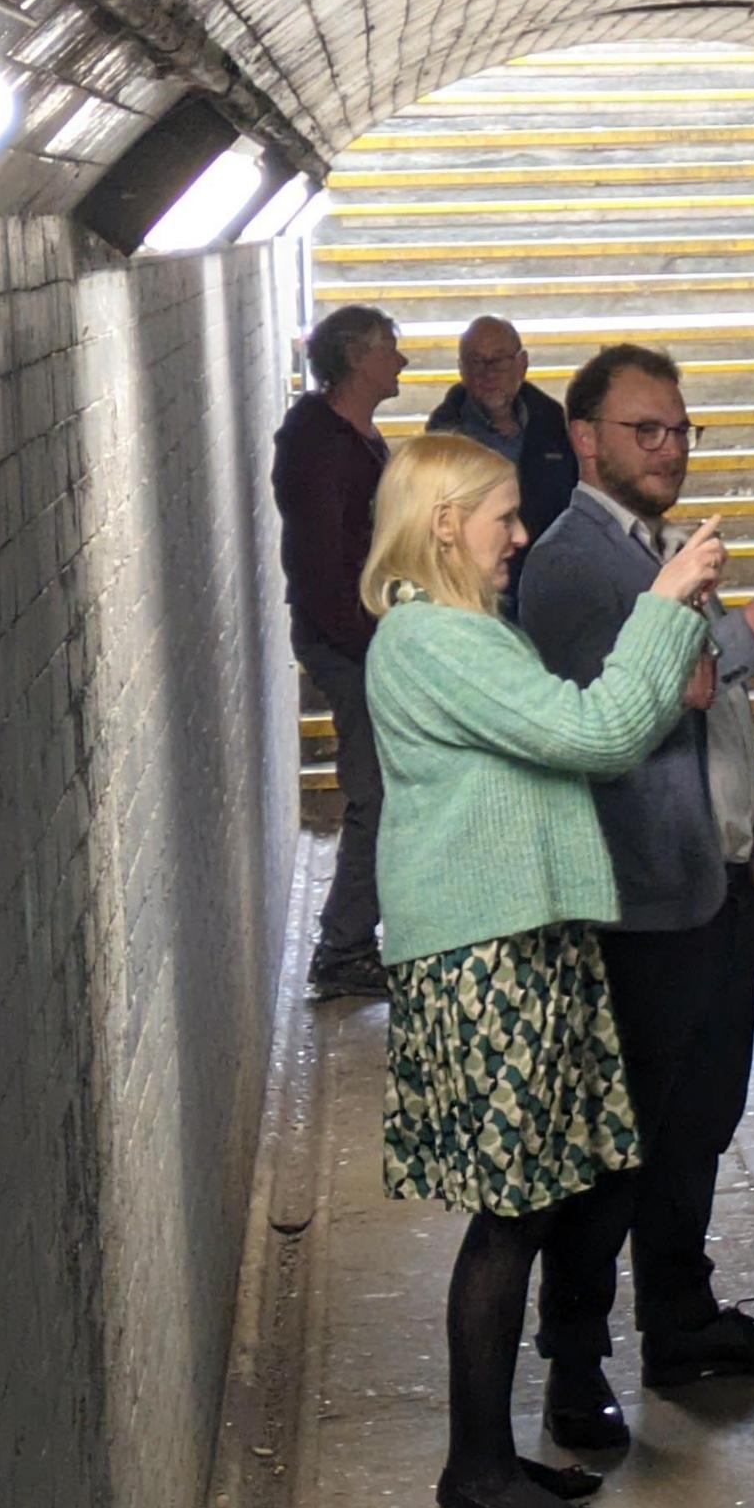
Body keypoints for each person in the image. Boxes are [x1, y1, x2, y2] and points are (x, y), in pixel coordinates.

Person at [357, 432, 731, 1508]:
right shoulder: (432, 640)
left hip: (519, 937)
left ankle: (488, 1454)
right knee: (508, 1217)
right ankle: (476, 1472)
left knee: (525, 1205)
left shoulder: (464, 631)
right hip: (485, 952)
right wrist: (665, 602)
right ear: (442, 524)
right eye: (503, 516)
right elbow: (601, 731)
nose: (519, 536)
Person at [513, 343, 754, 1450]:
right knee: (615, 1142)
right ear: (586, 439)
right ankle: (574, 1362)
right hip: (638, 898)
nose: (671, 448)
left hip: (716, 880)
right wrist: (737, 642)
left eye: (682, 429)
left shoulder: (658, 550)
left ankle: (682, 1321)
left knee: (698, 1121)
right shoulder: (569, 565)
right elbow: (610, 726)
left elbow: (703, 705)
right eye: (647, 430)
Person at [274, 305, 407, 1000]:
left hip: (364, 635)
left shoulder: (349, 436)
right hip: (348, 644)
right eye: (391, 347)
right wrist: (372, 644)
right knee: (375, 793)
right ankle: (344, 947)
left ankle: (352, 938)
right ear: (357, 358)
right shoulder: (320, 444)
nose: (402, 360)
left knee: (381, 790)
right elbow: (324, 568)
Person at [420, 314, 578, 613]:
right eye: (475, 362)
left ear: (522, 364)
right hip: (476, 594)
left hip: (552, 587)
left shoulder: (552, 422)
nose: (487, 373)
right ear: (461, 370)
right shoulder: (446, 436)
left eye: (498, 361)